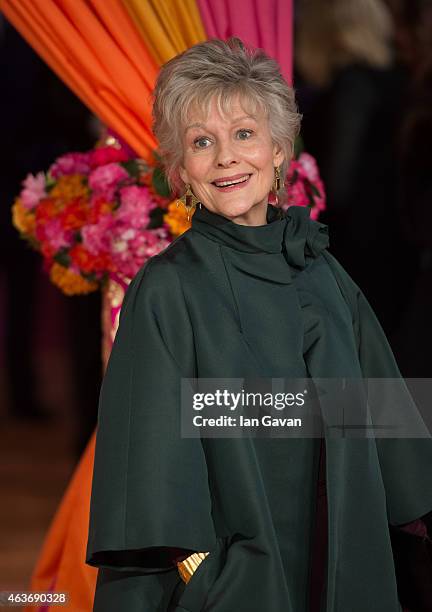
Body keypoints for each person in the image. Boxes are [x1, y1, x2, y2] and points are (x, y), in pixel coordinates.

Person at [85, 38, 432, 612]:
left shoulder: (322, 271)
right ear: (180, 169)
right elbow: (145, 457)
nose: (226, 157)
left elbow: (384, 414)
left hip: (339, 556)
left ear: (278, 149)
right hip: (240, 580)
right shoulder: (168, 289)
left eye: (244, 133)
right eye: (202, 142)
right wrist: (205, 573)